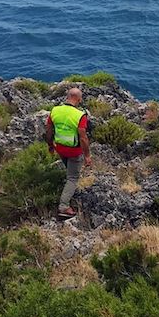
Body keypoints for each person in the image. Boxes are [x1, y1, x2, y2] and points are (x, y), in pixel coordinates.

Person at [45, 88, 92, 219]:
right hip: (74, 151)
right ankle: (64, 207)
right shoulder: (80, 115)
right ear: (79, 99)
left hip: (60, 147)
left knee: (69, 171)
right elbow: (83, 138)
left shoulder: (55, 110)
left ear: (67, 97)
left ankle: (68, 190)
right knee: (72, 178)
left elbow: (48, 130)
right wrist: (87, 156)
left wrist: (50, 145)